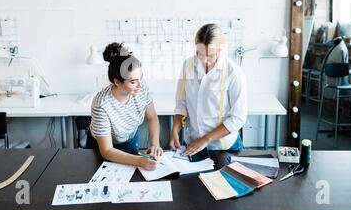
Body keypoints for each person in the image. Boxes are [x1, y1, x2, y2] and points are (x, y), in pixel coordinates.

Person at [169, 24, 248, 156]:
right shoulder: (187, 65)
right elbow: (181, 104)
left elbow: (238, 118)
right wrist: (175, 131)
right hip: (193, 143)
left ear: (220, 49)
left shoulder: (233, 72)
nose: (204, 60)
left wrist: (205, 139)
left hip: (223, 146)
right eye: (199, 54)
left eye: (210, 55)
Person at [89, 42, 163, 171]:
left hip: (129, 140)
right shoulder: (101, 104)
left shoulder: (140, 88)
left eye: (140, 78)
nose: (140, 85)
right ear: (117, 82)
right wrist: (139, 160)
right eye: (133, 81)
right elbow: (107, 150)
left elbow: (152, 117)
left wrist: (155, 144)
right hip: (102, 147)